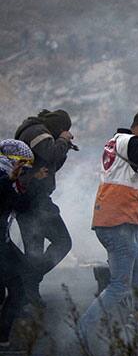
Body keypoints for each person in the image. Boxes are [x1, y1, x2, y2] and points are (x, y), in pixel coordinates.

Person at [77, 109, 138, 338]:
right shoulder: (126, 140)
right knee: (119, 287)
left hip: (121, 224)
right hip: (116, 223)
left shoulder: (121, 147)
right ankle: (82, 332)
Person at [14, 109, 76, 307]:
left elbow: (52, 164)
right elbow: (50, 154)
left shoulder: (35, 131)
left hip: (29, 199)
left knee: (34, 250)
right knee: (63, 242)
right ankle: (27, 280)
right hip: (34, 200)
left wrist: (63, 147)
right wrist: (63, 141)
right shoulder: (38, 131)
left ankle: (27, 293)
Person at [1, 140, 42, 349]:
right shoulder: (3, 178)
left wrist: (24, 184)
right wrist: (9, 181)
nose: (24, 172)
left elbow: (23, 206)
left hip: (3, 242)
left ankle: (3, 338)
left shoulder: (11, 181)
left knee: (22, 284)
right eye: (23, 168)